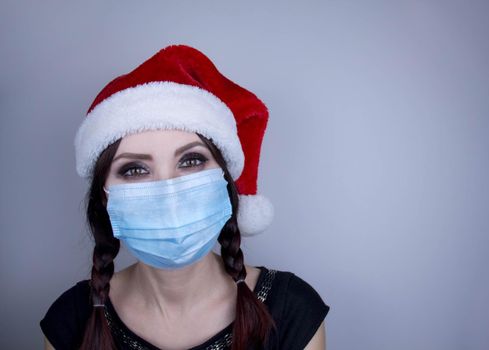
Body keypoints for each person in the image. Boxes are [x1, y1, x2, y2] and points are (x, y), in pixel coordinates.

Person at [40, 44, 329, 350]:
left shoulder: (293, 311)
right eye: (135, 169)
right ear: (104, 197)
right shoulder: (70, 320)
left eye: (191, 161)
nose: (168, 193)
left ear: (225, 181)